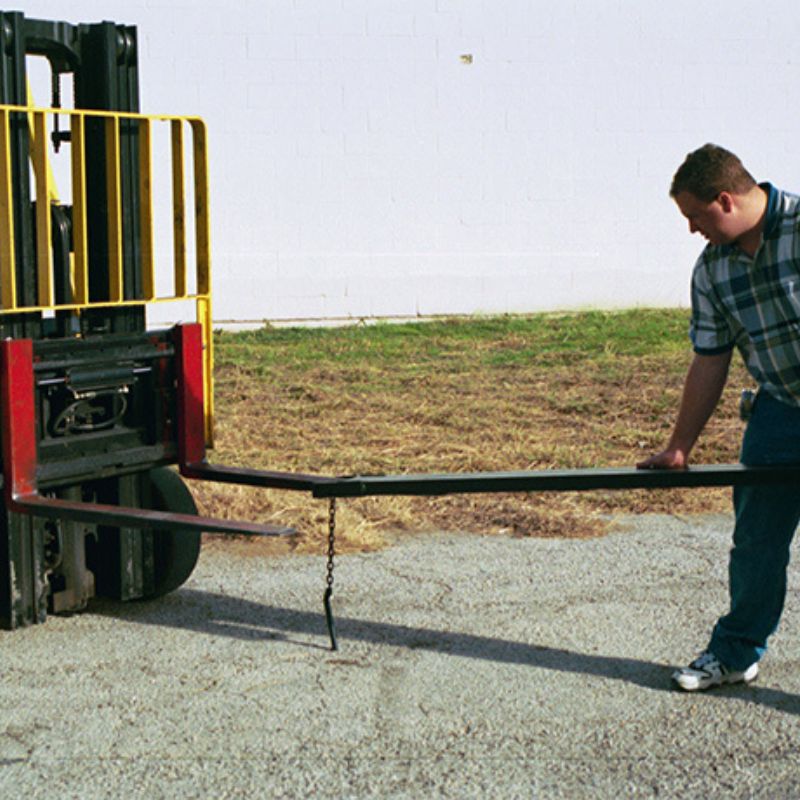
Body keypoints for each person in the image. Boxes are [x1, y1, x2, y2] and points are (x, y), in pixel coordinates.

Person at [637, 143, 800, 691]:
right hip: (780, 410)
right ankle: (735, 653)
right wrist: (679, 445)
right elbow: (710, 361)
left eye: (693, 217)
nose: (690, 231)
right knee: (756, 541)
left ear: (724, 200)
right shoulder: (712, 270)